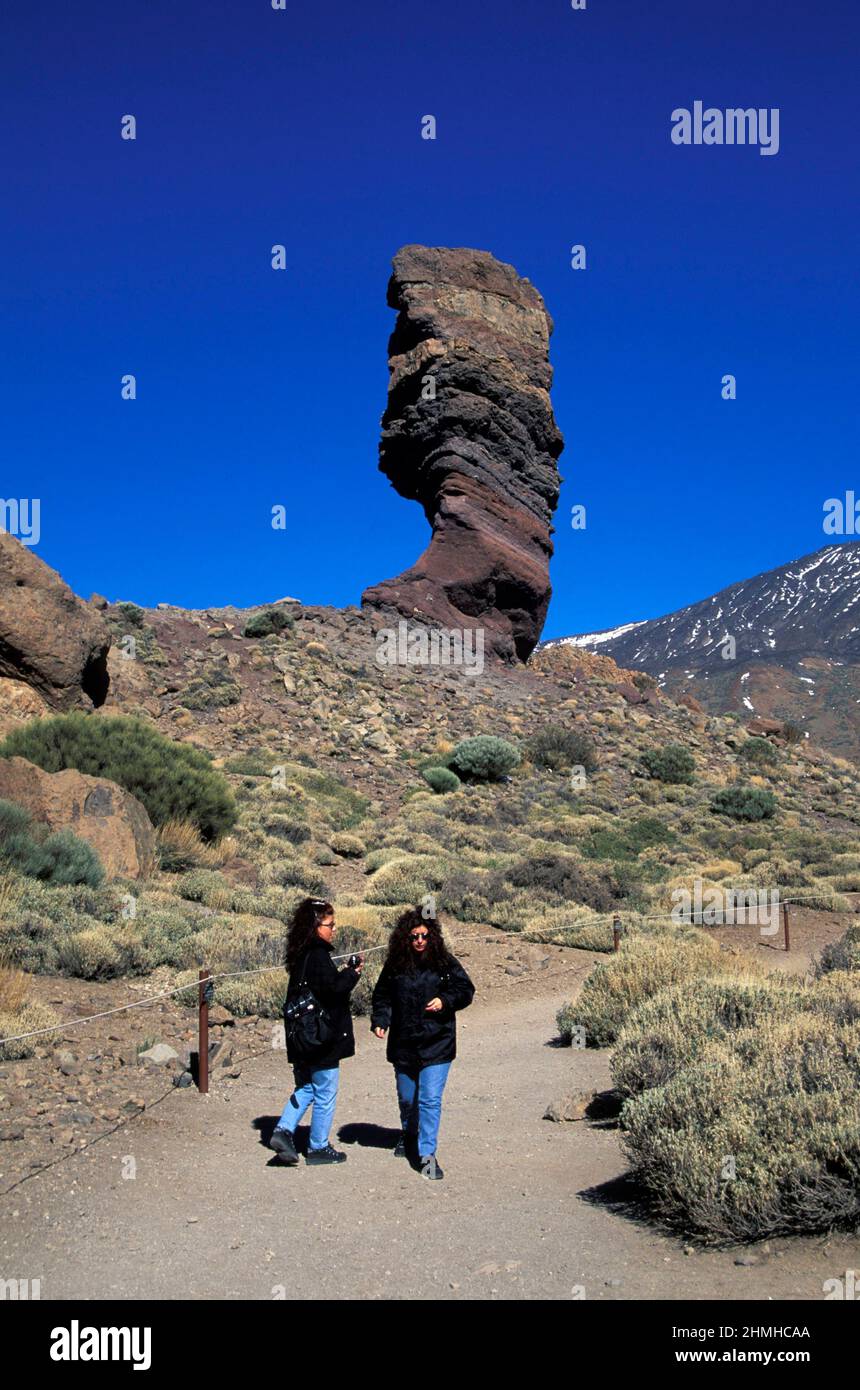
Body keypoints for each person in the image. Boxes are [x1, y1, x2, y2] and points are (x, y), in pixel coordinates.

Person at [371, 906, 474, 1180]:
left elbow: (466, 990)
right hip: (404, 1043)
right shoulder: (395, 965)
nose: (419, 941)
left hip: (437, 1042)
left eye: (425, 936)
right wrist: (381, 1019)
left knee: (429, 1100)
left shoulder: (444, 963)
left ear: (433, 937)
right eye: (414, 936)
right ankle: (409, 1135)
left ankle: (427, 1154)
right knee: (408, 1099)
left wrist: (445, 1001)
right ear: (405, 938)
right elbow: (382, 995)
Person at [270, 897, 362, 1167]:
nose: (333, 929)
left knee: (307, 1086)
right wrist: (353, 973)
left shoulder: (301, 954)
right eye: (329, 924)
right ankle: (318, 1146)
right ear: (315, 926)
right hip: (320, 1037)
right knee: (325, 1090)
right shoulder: (318, 955)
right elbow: (333, 990)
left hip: (301, 1037)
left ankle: (283, 1130)